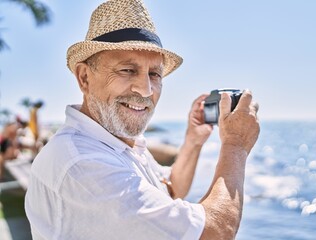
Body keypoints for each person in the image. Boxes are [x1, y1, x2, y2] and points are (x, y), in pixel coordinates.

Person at [24, 0, 260, 239]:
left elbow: (171, 190)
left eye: (154, 74)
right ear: (84, 77)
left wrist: (193, 142)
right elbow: (215, 233)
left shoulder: (114, 142)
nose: (146, 90)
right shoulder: (82, 162)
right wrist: (235, 146)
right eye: (127, 70)